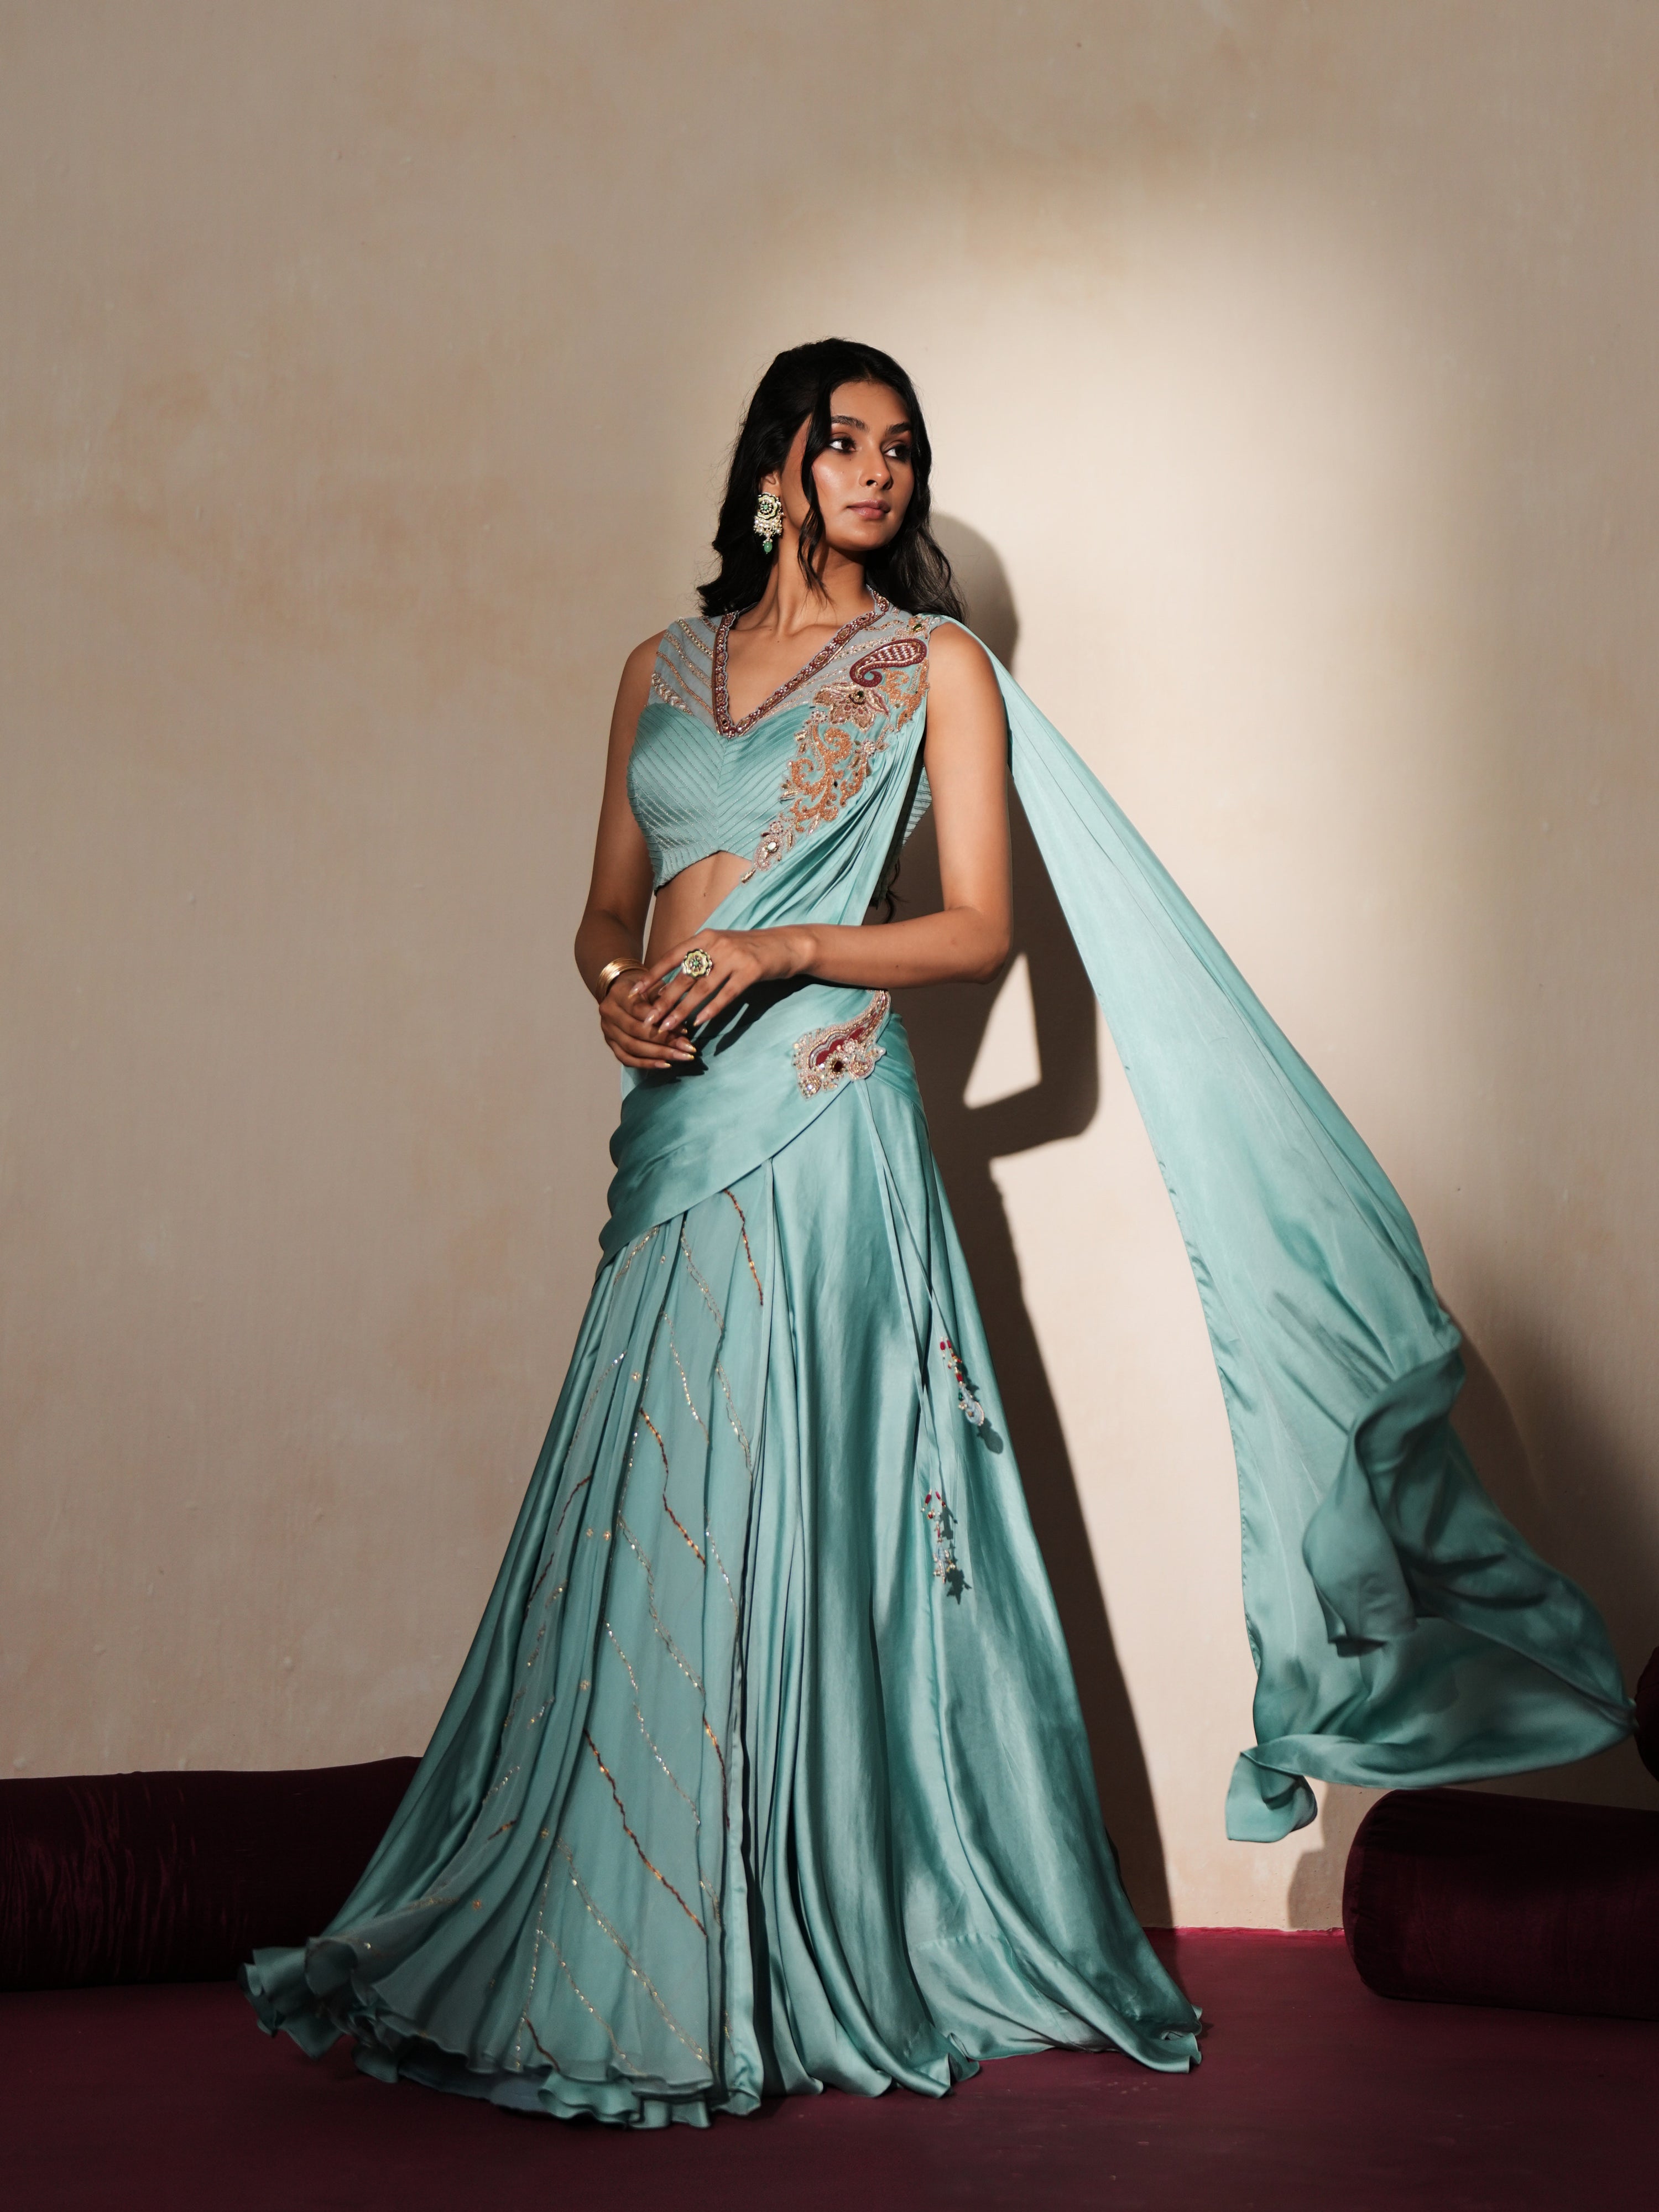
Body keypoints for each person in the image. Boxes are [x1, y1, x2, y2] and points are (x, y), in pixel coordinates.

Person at [245, 339, 1631, 2128]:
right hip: (676, 1123)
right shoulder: (656, 667)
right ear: (777, 467)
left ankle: (821, 1911)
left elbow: (979, 932)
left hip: (827, 1119)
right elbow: (603, 906)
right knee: (657, 1500)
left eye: (902, 448)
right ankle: (636, 1909)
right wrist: (614, 993)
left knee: (807, 1495)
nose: (880, 472)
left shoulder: (935, 667)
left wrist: (786, 948)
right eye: (845, 443)